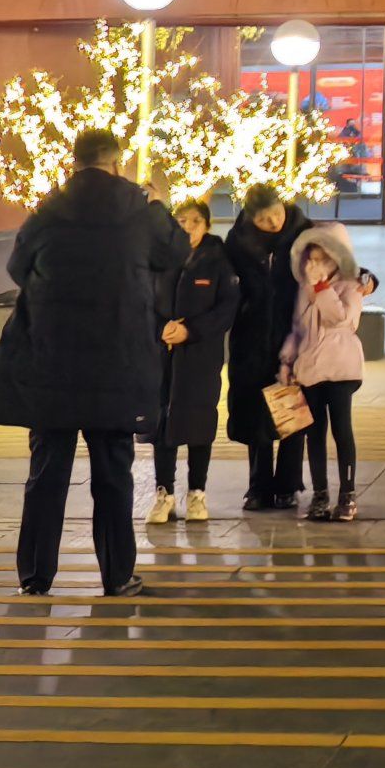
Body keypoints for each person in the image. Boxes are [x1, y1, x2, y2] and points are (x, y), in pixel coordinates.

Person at [0, 127, 186, 598]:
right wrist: (157, 204)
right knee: (113, 474)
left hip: (53, 366)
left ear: (75, 161)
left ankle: (35, 577)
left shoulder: (48, 209)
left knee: (47, 472)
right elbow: (176, 251)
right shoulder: (139, 210)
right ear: (116, 162)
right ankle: (116, 575)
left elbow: (17, 269)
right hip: (117, 364)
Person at [144, 198, 241, 524]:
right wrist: (162, 328)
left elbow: (226, 309)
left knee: (199, 423)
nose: (187, 227)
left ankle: (197, 493)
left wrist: (191, 331)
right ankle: (164, 493)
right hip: (163, 355)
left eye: (194, 221)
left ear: (207, 225)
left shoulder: (218, 261)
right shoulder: (160, 260)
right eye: (181, 221)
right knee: (163, 425)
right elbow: (144, 303)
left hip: (200, 357)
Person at [223, 185, 308, 511]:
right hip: (251, 336)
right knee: (255, 412)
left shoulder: (303, 233)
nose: (272, 222)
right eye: (263, 218)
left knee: (290, 411)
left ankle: (288, 485)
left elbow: (336, 263)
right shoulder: (238, 241)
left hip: (290, 334)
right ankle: (258, 485)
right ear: (250, 217)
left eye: (275, 214)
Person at [282, 222, 364, 520]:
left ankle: (348, 494)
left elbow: (342, 319)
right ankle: (319, 494)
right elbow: (298, 327)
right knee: (314, 434)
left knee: (342, 430)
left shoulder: (352, 285)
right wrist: (286, 360)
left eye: (322, 259)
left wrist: (322, 288)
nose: (314, 265)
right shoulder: (304, 289)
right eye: (311, 259)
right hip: (309, 370)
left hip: (341, 370)